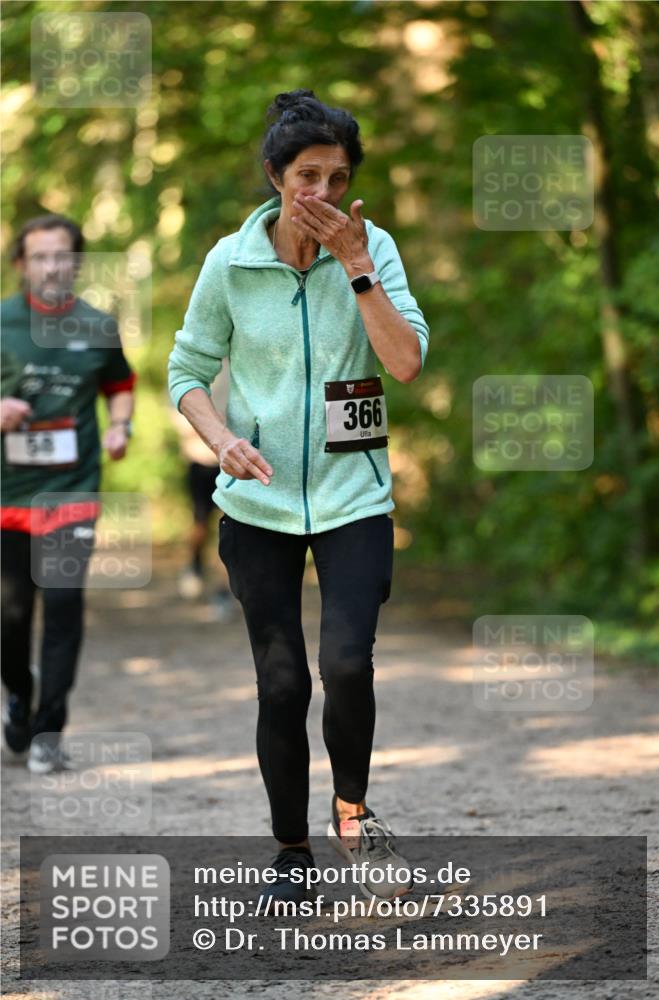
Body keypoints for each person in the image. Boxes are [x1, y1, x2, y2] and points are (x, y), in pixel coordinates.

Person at [167, 89, 429, 905]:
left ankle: (351, 809)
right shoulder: (229, 263)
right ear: (276, 179)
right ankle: (290, 851)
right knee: (282, 684)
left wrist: (357, 271)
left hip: (355, 497)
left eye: (337, 177)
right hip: (258, 505)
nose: (321, 193)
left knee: (347, 665)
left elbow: (406, 362)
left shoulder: (372, 247)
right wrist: (221, 440)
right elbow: (186, 373)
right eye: (306, 175)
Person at [1, 214, 136, 773]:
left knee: (61, 604)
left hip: (71, 491)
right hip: (7, 494)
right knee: (9, 616)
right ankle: (18, 694)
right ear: (21, 265)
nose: (52, 266)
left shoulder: (98, 325)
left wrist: (119, 427)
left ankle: (49, 731)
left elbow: (120, 385)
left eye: (61, 256)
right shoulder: (2, 320)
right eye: (40, 257)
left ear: (76, 262)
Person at [170, 364, 236, 620]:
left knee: (230, 529)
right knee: (200, 524)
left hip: (234, 463)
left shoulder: (242, 366)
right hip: (200, 461)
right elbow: (179, 417)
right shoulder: (190, 366)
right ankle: (194, 565)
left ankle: (223, 591)